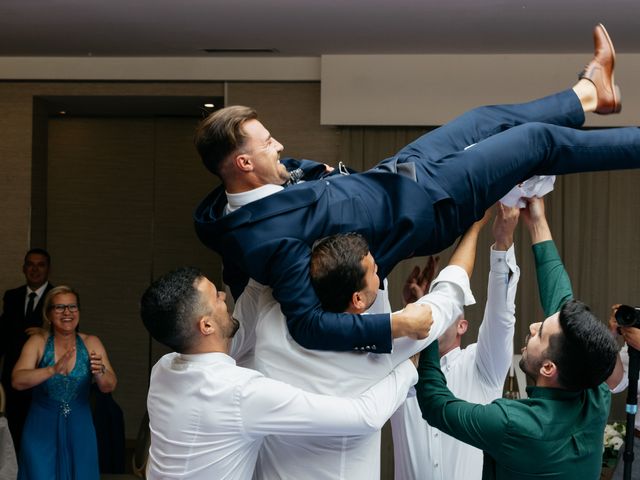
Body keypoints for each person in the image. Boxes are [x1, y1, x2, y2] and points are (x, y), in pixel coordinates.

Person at [194, 24, 640, 354]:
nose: (280, 146)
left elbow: (301, 182)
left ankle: (589, 92)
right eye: (268, 143)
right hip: (429, 206)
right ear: (243, 163)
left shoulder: (236, 203)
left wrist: (327, 174)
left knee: (484, 119)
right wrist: (396, 324)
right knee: (536, 144)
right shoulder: (264, 240)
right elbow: (308, 324)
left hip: (398, 173)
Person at [243, 215, 484, 479]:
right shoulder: (378, 357)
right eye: (374, 272)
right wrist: (475, 227)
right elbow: (450, 294)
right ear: (357, 298)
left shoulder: (269, 326)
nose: (379, 268)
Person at [140, 267, 418, 480]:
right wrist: (407, 367)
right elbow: (363, 417)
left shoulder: (164, 369)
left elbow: (239, 330)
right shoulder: (240, 393)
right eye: (216, 297)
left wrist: (263, 272)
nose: (224, 296)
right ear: (207, 326)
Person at [415, 196, 623, 479]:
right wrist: (537, 222)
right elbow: (561, 299)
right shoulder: (592, 389)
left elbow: (436, 405)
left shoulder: (514, 423)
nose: (534, 326)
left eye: (540, 333)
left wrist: (433, 318)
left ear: (549, 368)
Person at [390, 203, 520, 480]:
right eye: (431, 308)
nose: (434, 315)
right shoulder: (399, 369)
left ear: (462, 325)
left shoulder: (481, 367)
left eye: (445, 311)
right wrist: (414, 310)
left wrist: (502, 243)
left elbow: (501, 316)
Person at [12, 285, 117, 480]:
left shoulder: (92, 342)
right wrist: (51, 370)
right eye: (60, 307)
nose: (67, 312)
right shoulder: (38, 341)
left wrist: (100, 371)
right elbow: (17, 380)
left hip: (80, 426)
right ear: (49, 314)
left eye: (72, 307)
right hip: (40, 427)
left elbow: (109, 386)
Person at [0, 248, 54, 452]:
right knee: (13, 430)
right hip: (13, 376)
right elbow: (3, 335)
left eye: (40, 264)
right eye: (30, 264)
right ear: (24, 268)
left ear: (48, 269)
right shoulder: (12, 296)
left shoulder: (57, 296)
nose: (35, 269)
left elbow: (73, 336)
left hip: (44, 376)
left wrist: (48, 333)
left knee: (40, 433)